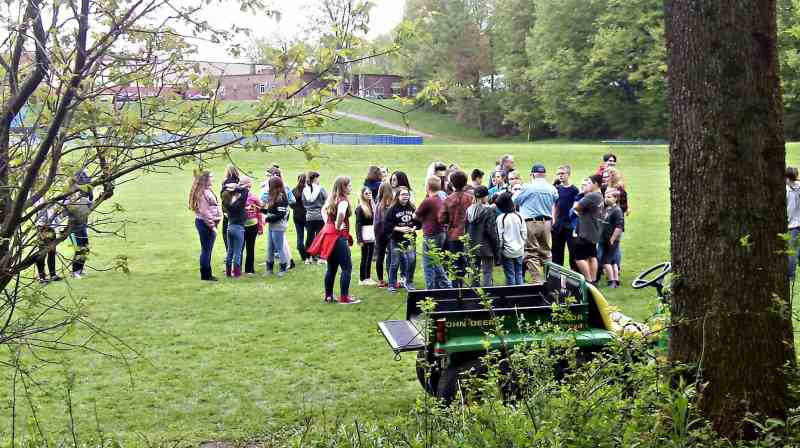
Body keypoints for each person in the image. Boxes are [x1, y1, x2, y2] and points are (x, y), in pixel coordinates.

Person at [307, 176, 360, 304]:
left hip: (328, 236)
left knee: (331, 268)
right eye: (349, 185)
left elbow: (323, 210)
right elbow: (341, 213)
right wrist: (337, 225)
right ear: (343, 187)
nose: (351, 187)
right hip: (337, 237)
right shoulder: (343, 201)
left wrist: (328, 223)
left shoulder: (332, 198)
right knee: (346, 267)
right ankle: (344, 297)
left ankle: (329, 296)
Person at [513, 163, 558, 283]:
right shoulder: (551, 188)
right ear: (544, 174)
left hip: (531, 223)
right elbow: (555, 198)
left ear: (532, 174)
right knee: (546, 252)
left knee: (531, 252)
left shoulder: (528, 187)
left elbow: (516, 200)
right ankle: (551, 279)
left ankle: (538, 281)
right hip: (546, 222)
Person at [415, 176, 451, 290]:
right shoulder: (441, 199)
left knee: (429, 264)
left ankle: (433, 290)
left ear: (427, 187)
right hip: (441, 233)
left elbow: (415, 215)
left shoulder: (428, 200)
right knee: (435, 261)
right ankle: (442, 286)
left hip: (431, 234)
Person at [439, 170, 473, 287]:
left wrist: (450, 220)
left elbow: (441, 218)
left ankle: (456, 287)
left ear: (452, 183)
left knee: (455, 263)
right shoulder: (470, 198)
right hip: (468, 234)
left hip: (453, 234)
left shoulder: (448, 199)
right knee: (469, 261)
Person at [385, 187, 420, 292]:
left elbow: (418, 222)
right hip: (396, 240)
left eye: (407, 194)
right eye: (403, 194)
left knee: (412, 260)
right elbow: (387, 225)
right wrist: (400, 229)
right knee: (395, 262)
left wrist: (414, 227)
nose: (405, 196)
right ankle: (391, 285)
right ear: (398, 196)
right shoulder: (393, 209)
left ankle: (409, 282)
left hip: (410, 239)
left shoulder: (412, 207)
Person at [190, 170, 222, 281]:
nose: (213, 179)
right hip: (206, 224)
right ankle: (206, 275)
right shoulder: (203, 193)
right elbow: (204, 211)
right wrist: (212, 226)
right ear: (206, 179)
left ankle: (207, 273)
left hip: (206, 223)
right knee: (206, 250)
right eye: (211, 177)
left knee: (207, 249)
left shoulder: (205, 190)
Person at [466, 186, 500, 287]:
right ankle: (487, 295)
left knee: (474, 273)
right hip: (486, 246)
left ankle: (474, 295)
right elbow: (491, 232)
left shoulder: (469, 210)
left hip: (472, 245)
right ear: (485, 197)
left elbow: (466, 229)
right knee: (487, 272)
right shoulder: (488, 211)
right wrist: (496, 247)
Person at [572, 175, 604, 284]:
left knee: (578, 257)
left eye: (589, 183)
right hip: (594, 231)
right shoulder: (600, 196)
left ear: (595, 184)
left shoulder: (592, 196)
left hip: (586, 232)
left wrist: (580, 197)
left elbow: (576, 207)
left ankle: (588, 280)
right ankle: (593, 280)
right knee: (591, 256)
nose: (587, 185)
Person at [551, 165, 580, 270]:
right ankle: (556, 275)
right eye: (558, 174)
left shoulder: (574, 190)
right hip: (558, 225)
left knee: (573, 251)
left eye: (562, 173)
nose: (560, 176)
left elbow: (577, 207)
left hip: (570, 225)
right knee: (557, 251)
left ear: (568, 174)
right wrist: (554, 220)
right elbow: (554, 205)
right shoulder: (556, 189)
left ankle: (575, 274)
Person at [496, 192, 526, 285]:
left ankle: (512, 293)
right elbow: (524, 234)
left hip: (507, 251)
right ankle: (521, 293)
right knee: (519, 273)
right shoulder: (519, 216)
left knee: (510, 274)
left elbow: (500, 237)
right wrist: (522, 244)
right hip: (519, 250)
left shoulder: (501, 218)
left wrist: (500, 249)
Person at [262, 176, 290, 276]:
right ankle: (269, 268)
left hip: (278, 226)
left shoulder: (281, 198)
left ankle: (283, 267)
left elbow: (280, 215)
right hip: (271, 226)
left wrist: (265, 219)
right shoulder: (273, 196)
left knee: (279, 247)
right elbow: (271, 211)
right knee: (270, 247)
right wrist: (260, 210)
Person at [221, 178, 248, 278]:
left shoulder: (225, 202)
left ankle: (228, 273)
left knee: (230, 251)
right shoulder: (238, 204)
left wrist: (228, 188)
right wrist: (236, 188)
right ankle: (237, 273)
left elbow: (223, 190)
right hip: (238, 228)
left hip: (229, 227)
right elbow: (245, 191)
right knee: (238, 252)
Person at [34, 196, 63, 283]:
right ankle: (41, 276)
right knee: (42, 253)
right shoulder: (40, 198)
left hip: (51, 228)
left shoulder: (51, 196)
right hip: (42, 227)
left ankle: (52, 274)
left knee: (52, 252)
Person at [600, 189, 624, 288]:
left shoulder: (617, 210)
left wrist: (612, 239)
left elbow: (619, 227)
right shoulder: (607, 209)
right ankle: (616, 281)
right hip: (605, 239)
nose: (606, 199)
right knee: (613, 261)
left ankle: (611, 282)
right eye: (605, 196)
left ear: (616, 199)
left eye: (609, 197)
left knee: (605, 262)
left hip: (611, 240)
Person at [66, 186, 92, 279]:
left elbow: (92, 205)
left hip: (82, 229)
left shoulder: (85, 200)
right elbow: (63, 214)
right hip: (73, 231)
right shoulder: (69, 203)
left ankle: (80, 269)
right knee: (78, 250)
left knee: (85, 249)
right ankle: (74, 271)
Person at [303, 171, 327, 264]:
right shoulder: (321, 189)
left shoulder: (305, 190)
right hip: (320, 216)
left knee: (309, 237)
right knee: (320, 237)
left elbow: (304, 202)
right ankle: (319, 257)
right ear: (315, 178)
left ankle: (307, 258)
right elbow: (327, 200)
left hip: (309, 216)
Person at [373, 181, 394, 288]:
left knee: (380, 256)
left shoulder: (378, 204)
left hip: (379, 233)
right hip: (389, 233)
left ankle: (381, 280)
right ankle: (391, 279)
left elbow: (376, 223)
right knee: (391, 255)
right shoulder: (391, 204)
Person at [355, 187, 377, 285]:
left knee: (370, 256)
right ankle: (362, 278)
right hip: (365, 235)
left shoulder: (372, 206)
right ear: (362, 195)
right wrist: (359, 239)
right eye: (366, 193)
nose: (369, 195)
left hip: (371, 234)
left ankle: (367, 277)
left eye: (370, 193)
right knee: (365, 257)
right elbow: (358, 224)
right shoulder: (360, 208)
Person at [242, 177, 264, 275]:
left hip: (251, 226)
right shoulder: (238, 197)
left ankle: (249, 269)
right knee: (242, 248)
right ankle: (244, 270)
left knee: (248, 248)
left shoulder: (253, 198)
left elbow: (260, 212)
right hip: (242, 226)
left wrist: (260, 227)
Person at [220, 165, 240, 251]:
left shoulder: (225, 182)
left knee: (225, 231)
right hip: (237, 210)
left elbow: (222, 196)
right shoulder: (239, 181)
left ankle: (229, 251)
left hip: (227, 210)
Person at [290, 174, 307, 263]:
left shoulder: (294, 190)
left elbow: (290, 203)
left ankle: (302, 253)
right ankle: (310, 254)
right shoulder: (307, 190)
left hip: (296, 216)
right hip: (306, 216)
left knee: (300, 236)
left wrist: (296, 208)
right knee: (311, 236)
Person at [787, 167, 800, 280]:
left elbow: (790, 210)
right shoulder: (796, 187)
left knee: (792, 252)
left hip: (794, 225)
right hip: (796, 224)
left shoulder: (789, 190)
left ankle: (790, 276)